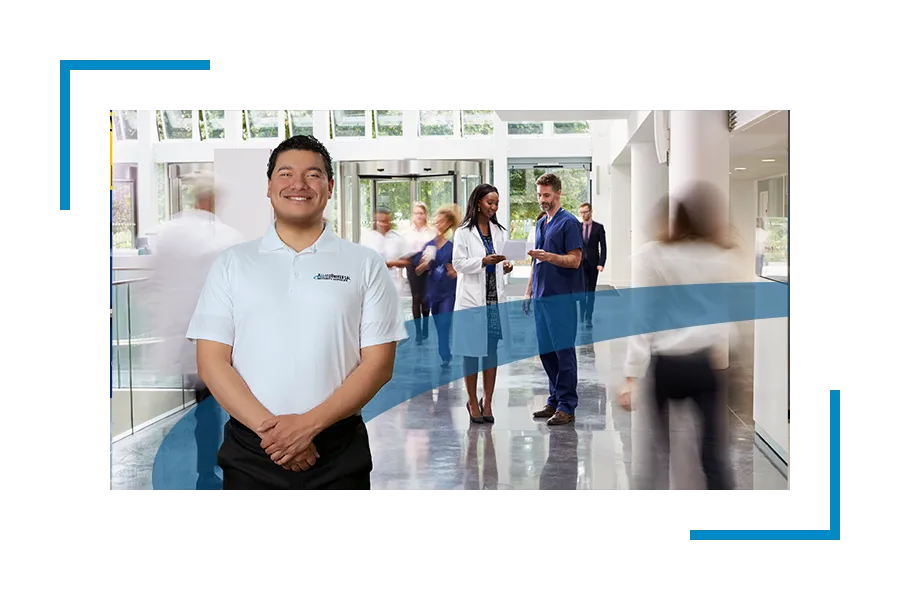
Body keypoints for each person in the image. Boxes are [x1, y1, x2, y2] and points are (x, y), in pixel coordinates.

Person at [186, 135, 407, 496]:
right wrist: (274, 433)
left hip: (338, 450)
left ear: (330, 187)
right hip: (251, 450)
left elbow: (378, 364)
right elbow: (212, 362)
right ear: (270, 187)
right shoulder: (233, 263)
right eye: (285, 173)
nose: (298, 184)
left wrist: (307, 427)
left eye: (313, 175)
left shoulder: (364, 264)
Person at [617, 184, 738, 495]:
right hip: (703, 363)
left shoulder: (653, 254)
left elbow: (643, 317)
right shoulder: (718, 256)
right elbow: (726, 317)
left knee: (657, 454)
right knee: (713, 455)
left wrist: (631, 375)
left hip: (667, 366)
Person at [144, 176, 243, 490]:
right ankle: (219, 467)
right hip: (217, 337)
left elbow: (155, 282)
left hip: (183, 336)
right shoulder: (225, 237)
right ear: (212, 203)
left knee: (206, 406)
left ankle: (204, 469)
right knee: (224, 403)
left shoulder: (169, 232)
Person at [524, 173, 584, 426]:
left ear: (559, 193)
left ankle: (567, 405)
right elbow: (535, 261)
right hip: (541, 295)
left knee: (563, 352)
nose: (542, 200)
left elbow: (575, 260)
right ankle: (555, 399)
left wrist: (550, 257)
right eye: (539, 195)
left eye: (547, 195)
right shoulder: (540, 224)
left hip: (562, 298)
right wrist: (528, 291)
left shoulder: (569, 223)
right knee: (546, 351)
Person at [452, 184, 513, 424]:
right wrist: (483, 261)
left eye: (496, 203)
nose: (494, 207)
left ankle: (487, 401)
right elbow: (458, 264)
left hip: (493, 300)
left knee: (490, 352)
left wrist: (505, 266)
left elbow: (500, 264)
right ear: (478, 202)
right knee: (470, 353)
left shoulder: (499, 230)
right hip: (471, 301)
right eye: (490, 202)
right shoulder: (463, 232)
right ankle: (471, 399)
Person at [415, 205, 461, 368]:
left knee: (444, 323)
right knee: (439, 324)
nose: (438, 223)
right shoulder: (429, 245)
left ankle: (445, 355)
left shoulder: (453, 247)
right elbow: (418, 270)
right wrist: (425, 264)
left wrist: (456, 272)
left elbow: (461, 268)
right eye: (437, 220)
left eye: (442, 221)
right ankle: (445, 353)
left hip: (448, 291)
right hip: (433, 291)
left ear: (448, 223)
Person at [405, 202, 436, 344]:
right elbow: (404, 252)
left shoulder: (431, 232)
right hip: (412, 266)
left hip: (427, 266)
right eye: (416, 213)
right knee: (416, 297)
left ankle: (425, 327)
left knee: (425, 298)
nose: (419, 216)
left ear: (425, 215)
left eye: (421, 213)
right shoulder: (407, 233)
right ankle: (418, 331)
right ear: (413, 215)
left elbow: (434, 249)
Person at [577, 202, 607, 328]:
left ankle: (588, 318)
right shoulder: (577, 227)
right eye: (581, 213)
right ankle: (581, 316)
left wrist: (601, 263)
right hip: (580, 264)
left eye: (585, 212)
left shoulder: (598, 227)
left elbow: (603, 247)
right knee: (581, 292)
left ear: (591, 212)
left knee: (590, 292)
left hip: (593, 264)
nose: (583, 215)